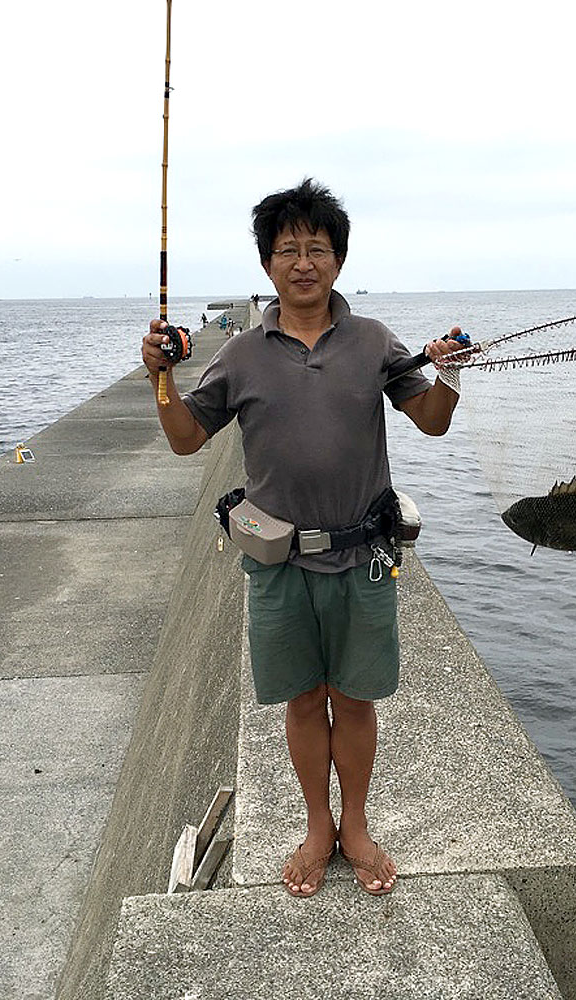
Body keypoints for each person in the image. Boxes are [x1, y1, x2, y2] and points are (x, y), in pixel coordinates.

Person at [141, 178, 462, 898]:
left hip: (363, 560)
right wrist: (160, 379)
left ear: (339, 261)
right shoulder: (244, 356)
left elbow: (433, 419)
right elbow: (188, 439)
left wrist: (450, 373)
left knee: (354, 700)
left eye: (318, 248)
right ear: (268, 266)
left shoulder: (376, 342)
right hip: (279, 566)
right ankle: (317, 825)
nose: (303, 262)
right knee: (300, 699)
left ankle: (356, 825)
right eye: (288, 250)